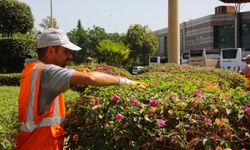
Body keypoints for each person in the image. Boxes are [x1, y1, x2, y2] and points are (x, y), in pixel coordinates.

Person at [15, 28, 145, 150]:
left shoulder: (33, 69)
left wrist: (76, 72)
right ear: (51, 51)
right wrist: (126, 81)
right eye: (65, 51)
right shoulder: (47, 72)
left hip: (30, 143)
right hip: (41, 145)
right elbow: (92, 78)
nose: (70, 56)